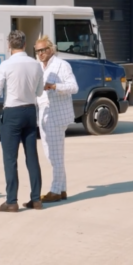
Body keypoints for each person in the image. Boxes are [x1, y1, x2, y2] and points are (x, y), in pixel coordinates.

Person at [0, 30, 45, 212]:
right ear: (25, 44)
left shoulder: (6, 65)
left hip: (12, 112)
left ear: (9, 46)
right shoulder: (36, 65)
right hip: (30, 111)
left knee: (10, 159)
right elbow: (39, 92)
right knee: (32, 157)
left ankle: (11, 201)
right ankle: (36, 199)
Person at [34, 35, 78, 203]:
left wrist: (54, 86)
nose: (40, 53)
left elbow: (74, 87)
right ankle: (62, 189)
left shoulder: (62, 65)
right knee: (52, 153)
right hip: (44, 113)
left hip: (57, 114)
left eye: (43, 50)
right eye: (37, 51)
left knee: (54, 155)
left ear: (51, 49)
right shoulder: (38, 66)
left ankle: (55, 190)